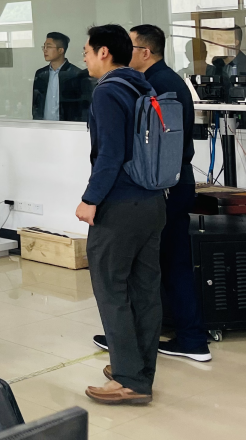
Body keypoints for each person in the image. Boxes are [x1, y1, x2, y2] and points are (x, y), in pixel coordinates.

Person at [91, 25, 209, 361]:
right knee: (166, 262)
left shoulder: (154, 85)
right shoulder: (161, 81)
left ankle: (173, 338)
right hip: (172, 181)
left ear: (144, 51)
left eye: (129, 46)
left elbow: (145, 147)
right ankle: (171, 335)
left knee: (158, 265)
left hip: (162, 185)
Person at [76, 24, 166, 406]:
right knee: (145, 291)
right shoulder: (143, 86)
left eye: (86, 50)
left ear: (104, 53)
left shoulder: (107, 92)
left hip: (120, 207)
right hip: (153, 202)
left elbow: (110, 153)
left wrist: (90, 199)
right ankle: (139, 371)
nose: (84, 57)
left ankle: (129, 378)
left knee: (111, 288)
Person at [32, 32, 93, 122]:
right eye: (44, 47)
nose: (45, 50)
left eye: (49, 47)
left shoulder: (76, 74)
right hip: (43, 126)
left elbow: (83, 107)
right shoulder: (41, 74)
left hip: (67, 127)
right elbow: (36, 104)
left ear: (61, 50)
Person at [207, 25, 246, 101]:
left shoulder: (244, 64)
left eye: (220, 39)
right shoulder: (212, 66)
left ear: (235, 42)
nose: (216, 43)